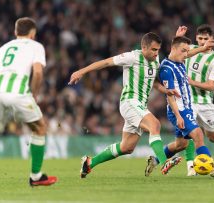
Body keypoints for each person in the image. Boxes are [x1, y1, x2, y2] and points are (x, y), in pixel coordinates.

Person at [69, 32, 186, 178]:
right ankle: (164, 162)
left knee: (127, 147)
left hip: (140, 105)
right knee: (154, 125)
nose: (157, 53)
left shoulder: (155, 61)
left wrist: (166, 90)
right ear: (144, 47)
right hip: (129, 101)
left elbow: (154, 83)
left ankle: (89, 163)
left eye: (158, 50)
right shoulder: (132, 57)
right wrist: (81, 71)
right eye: (154, 50)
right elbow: (106, 62)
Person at [0, 17, 57, 190]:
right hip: (18, 93)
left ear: (16, 32)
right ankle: (36, 176)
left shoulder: (4, 48)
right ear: (32, 33)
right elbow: (38, 73)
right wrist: (34, 94)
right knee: (39, 128)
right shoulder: (36, 46)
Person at [144, 36, 214, 177]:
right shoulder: (167, 69)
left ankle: (155, 159)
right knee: (198, 135)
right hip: (179, 110)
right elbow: (170, 95)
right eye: (183, 51)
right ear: (174, 49)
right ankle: (212, 167)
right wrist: (178, 116)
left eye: (187, 51)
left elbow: (187, 53)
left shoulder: (179, 61)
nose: (186, 54)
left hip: (186, 108)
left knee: (181, 145)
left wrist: (203, 48)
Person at [178, 24, 214, 176]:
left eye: (206, 39)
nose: (202, 42)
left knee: (211, 138)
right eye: (200, 38)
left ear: (212, 40)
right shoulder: (190, 50)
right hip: (187, 100)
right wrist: (178, 36)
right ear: (196, 38)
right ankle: (191, 166)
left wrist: (191, 81)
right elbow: (174, 53)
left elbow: (211, 86)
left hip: (205, 102)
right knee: (193, 133)